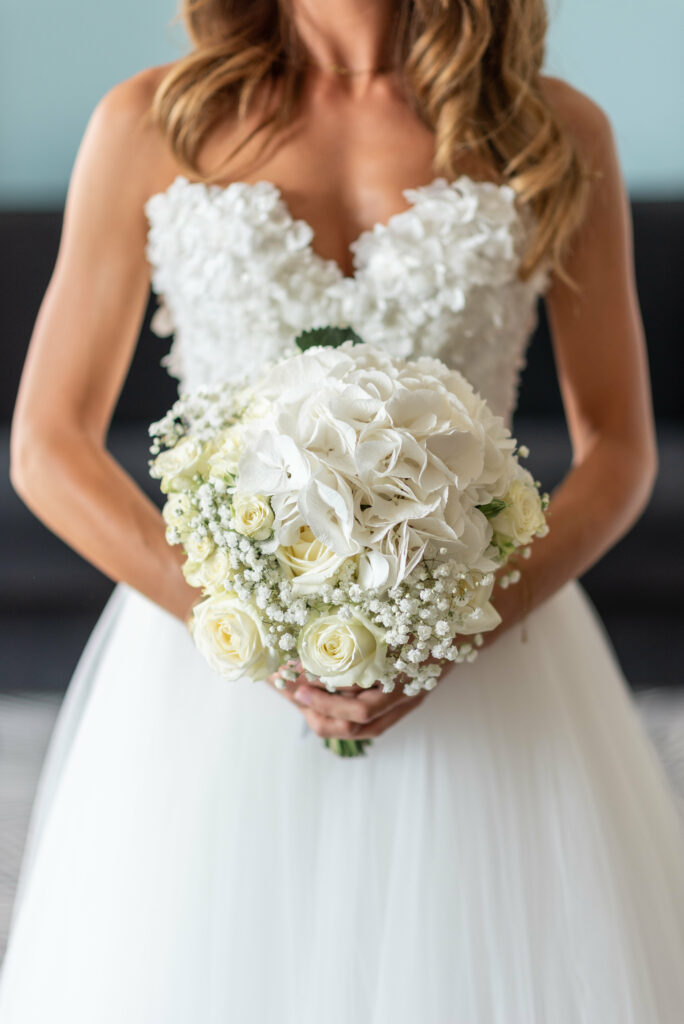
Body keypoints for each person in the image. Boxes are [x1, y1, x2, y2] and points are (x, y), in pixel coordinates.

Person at [2, 1, 684, 1020]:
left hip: (484, 659)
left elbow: (621, 450)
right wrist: (240, 618)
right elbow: (47, 445)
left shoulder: (552, 130)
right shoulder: (153, 121)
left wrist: (458, 627)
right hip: (211, 673)